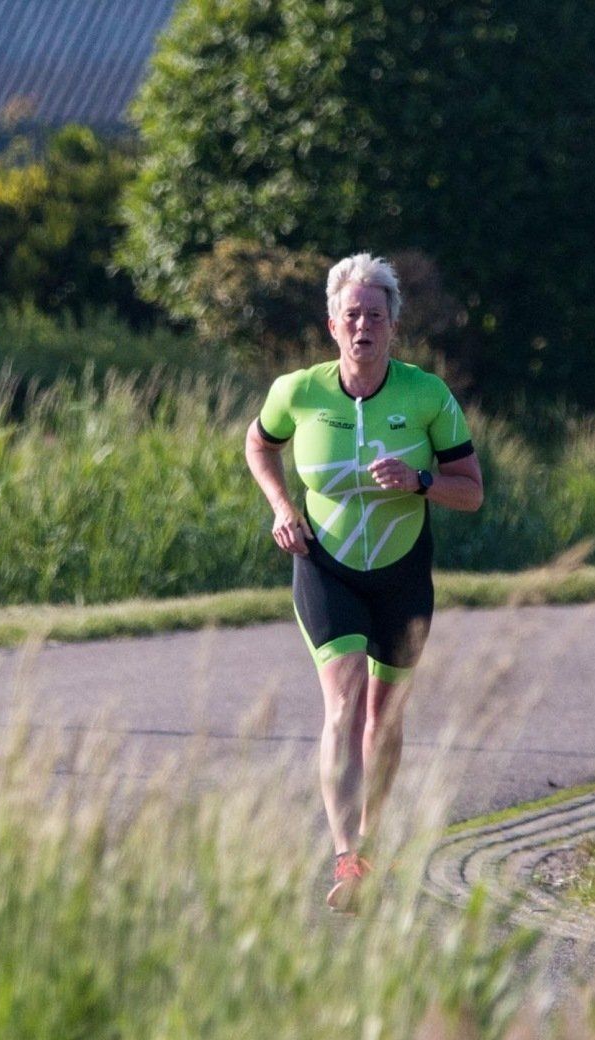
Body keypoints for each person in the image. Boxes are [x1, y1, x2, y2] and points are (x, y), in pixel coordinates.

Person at [244, 253, 484, 912]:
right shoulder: (298, 392)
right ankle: (348, 857)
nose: (362, 327)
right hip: (326, 567)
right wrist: (282, 508)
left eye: (375, 316)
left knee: (384, 718)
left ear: (393, 326)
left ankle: (373, 845)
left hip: (403, 576)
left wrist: (422, 481)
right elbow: (259, 444)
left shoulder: (426, 396)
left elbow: (472, 492)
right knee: (344, 704)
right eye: (351, 315)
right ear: (332, 325)